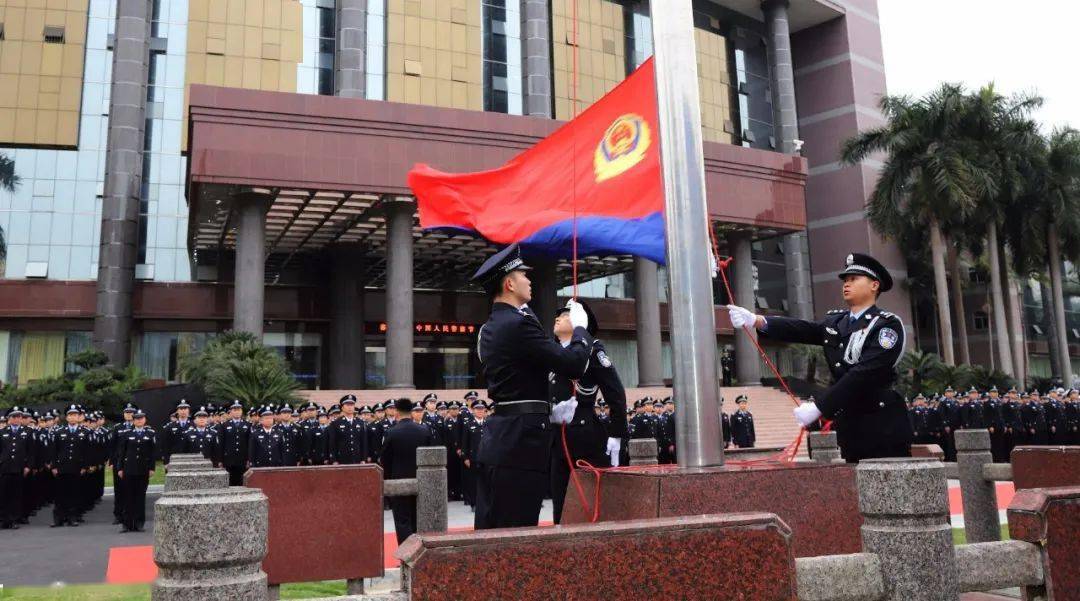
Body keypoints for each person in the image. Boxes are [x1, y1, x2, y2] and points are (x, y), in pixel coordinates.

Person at [728, 252, 912, 462]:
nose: (846, 284)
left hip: (882, 423)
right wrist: (757, 320)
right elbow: (803, 329)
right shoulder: (837, 322)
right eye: (845, 279)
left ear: (874, 285)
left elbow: (865, 373)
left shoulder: (886, 325)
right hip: (850, 422)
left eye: (854, 279)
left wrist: (820, 406)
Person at [472, 244, 594, 529]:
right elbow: (572, 364)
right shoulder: (518, 324)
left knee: (495, 527)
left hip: (504, 435)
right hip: (520, 441)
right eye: (523, 275)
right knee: (516, 529)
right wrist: (580, 330)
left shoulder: (491, 326)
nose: (529, 280)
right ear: (509, 283)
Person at [547, 301, 628, 524]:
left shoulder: (593, 350)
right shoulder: (551, 352)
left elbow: (615, 393)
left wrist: (617, 432)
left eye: (564, 315)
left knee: (591, 504)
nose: (557, 319)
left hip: (586, 439)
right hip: (557, 440)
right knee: (560, 506)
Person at [381, 399, 435, 544]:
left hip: (399, 481)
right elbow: (432, 456)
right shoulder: (424, 430)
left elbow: (385, 459)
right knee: (419, 517)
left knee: (402, 519)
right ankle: (420, 551)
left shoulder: (391, 432)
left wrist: (387, 480)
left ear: (397, 412)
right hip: (422, 479)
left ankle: (406, 552)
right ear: (411, 411)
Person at [116, 409, 156, 533]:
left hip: (143, 469)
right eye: (137, 418)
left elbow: (153, 453)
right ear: (133, 421)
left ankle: (139, 523)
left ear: (145, 420)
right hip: (129, 469)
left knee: (140, 497)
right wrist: (120, 468)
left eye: (141, 418)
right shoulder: (126, 433)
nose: (139, 420)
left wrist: (151, 468)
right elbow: (121, 452)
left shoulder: (150, 433)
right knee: (127, 497)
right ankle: (126, 524)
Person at [51, 405, 89, 527]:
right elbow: (54, 451)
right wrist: (54, 467)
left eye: (75, 415)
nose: (73, 417)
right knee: (60, 494)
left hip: (76, 467)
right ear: (66, 417)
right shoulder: (59, 432)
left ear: (79, 417)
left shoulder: (85, 432)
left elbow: (87, 452)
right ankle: (59, 519)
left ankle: (72, 518)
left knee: (74, 494)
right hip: (62, 467)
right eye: (70, 415)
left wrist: (84, 466)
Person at [0, 407, 33, 529]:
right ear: (9, 419)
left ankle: (14, 519)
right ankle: (4, 519)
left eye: (19, 416)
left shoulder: (28, 432)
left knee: (16, 495)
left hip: (19, 468)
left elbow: (31, 452)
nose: (17, 419)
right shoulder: (2, 432)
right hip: (5, 468)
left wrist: (28, 466)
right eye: (14, 417)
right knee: (3, 494)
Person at [216, 400, 250, 485]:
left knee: (242, 482)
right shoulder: (224, 425)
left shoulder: (248, 425)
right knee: (230, 483)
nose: (237, 412)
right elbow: (221, 443)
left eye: (238, 410)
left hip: (243, 459)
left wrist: (249, 459)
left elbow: (250, 444)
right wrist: (220, 460)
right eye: (234, 410)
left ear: (242, 411)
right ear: (230, 412)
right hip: (229, 459)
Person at [461, 399, 487, 508]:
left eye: (482, 409)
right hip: (473, 458)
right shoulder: (468, 424)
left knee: (486, 481)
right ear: (473, 410)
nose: (480, 411)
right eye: (477, 409)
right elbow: (464, 443)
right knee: (474, 481)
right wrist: (465, 458)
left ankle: (485, 502)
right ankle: (474, 503)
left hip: (487, 458)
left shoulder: (488, 423)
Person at [328, 394, 368, 464]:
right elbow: (332, 443)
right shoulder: (336, 423)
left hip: (357, 458)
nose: (350, 407)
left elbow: (363, 442)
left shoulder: (360, 422)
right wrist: (334, 460)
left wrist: (363, 458)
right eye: (347, 405)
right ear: (342, 408)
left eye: (352, 405)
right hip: (342, 459)